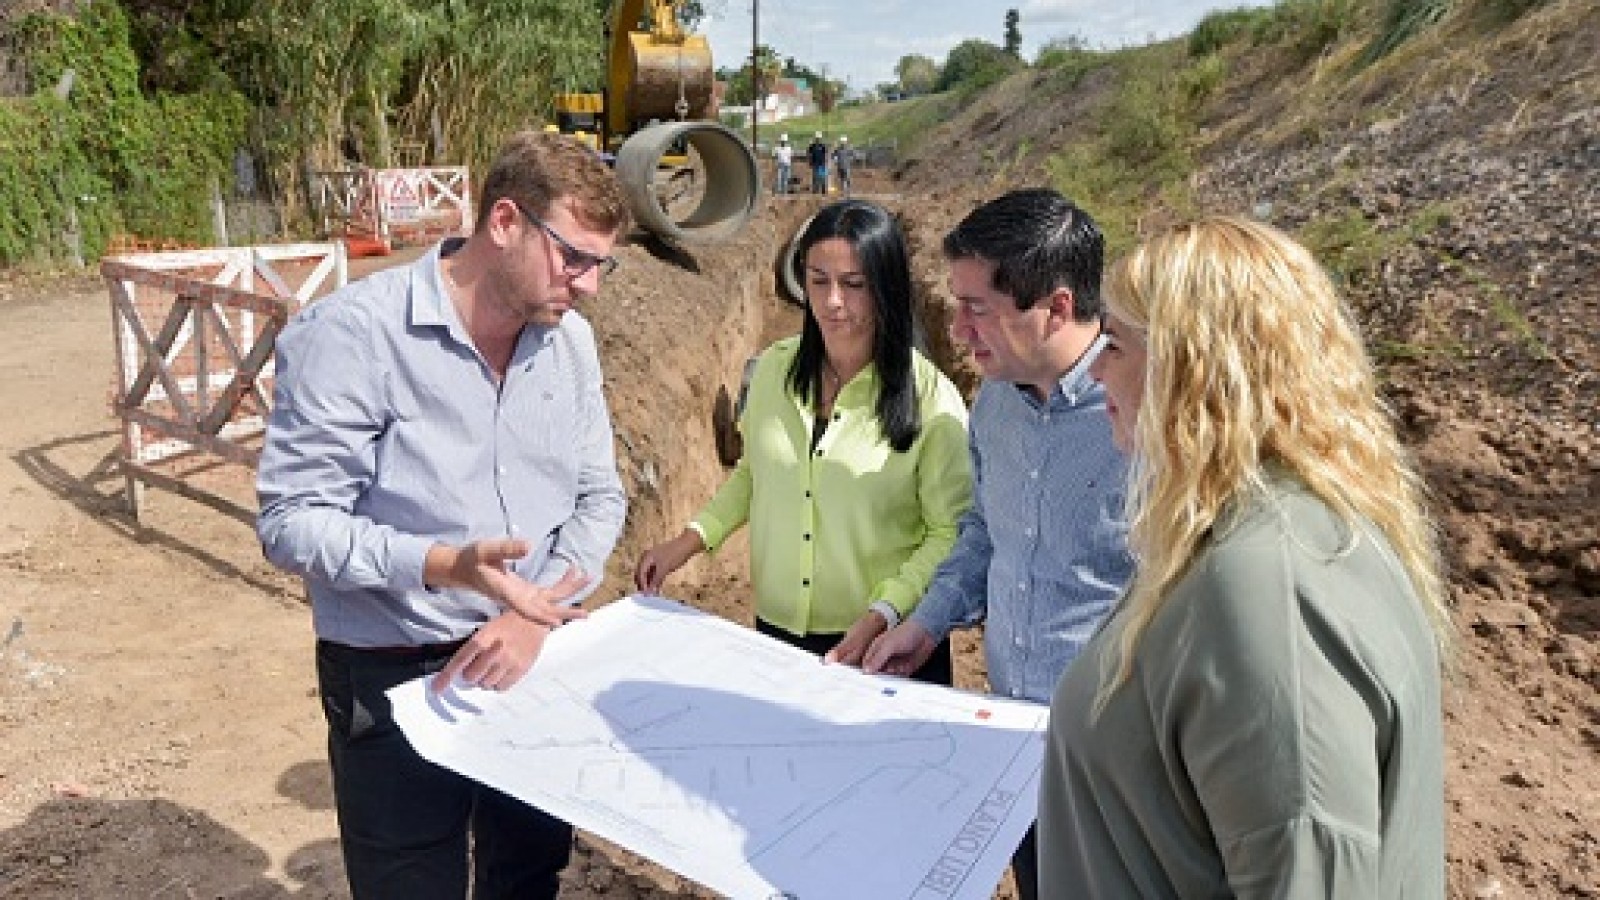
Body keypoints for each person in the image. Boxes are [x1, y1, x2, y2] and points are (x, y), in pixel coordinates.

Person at [256, 131, 630, 899]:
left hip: (531, 659)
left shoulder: (571, 346)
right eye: (575, 258)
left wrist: (533, 614)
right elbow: (291, 521)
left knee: (525, 874)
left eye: (602, 264)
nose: (589, 285)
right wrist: (443, 566)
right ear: (504, 224)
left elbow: (600, 497)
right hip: (395, 671)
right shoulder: (353, 336)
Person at [1038, 215, 1452, 898]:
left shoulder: (1269, 588)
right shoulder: (1262, 537)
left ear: (1194, 366)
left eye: (1114, 342)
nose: (1094, 368)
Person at [862, 188, 1133, 900]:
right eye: (953, 305)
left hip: (1119, 765)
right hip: (1014, 738)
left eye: (976, 307)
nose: (956, 329)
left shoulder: (1146, 414)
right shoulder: (994, 404)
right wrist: (924, 624)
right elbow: (983, 531)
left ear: (1058, 307)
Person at [636, 199, 972, 684]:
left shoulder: (931, 398)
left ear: (887, 287)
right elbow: (754, 475)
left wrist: (884, 613)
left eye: (854, 284)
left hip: (886, 648)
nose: (833, 301)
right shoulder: (773, 371)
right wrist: (686, 543)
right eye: (819, 280)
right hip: (779, 640)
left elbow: (949, 533)